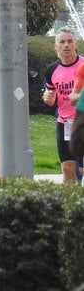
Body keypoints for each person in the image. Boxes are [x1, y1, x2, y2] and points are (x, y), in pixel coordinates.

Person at [43, 28, 84, 185]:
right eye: (62, 42)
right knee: (68, 168)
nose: (66, 45)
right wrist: (48, 100)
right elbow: (51, 95)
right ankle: (72, 207)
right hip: (64, 123)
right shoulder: (51, 70)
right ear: (56, 47)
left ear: (76, 45)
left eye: (69, 41)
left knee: (80, 169)